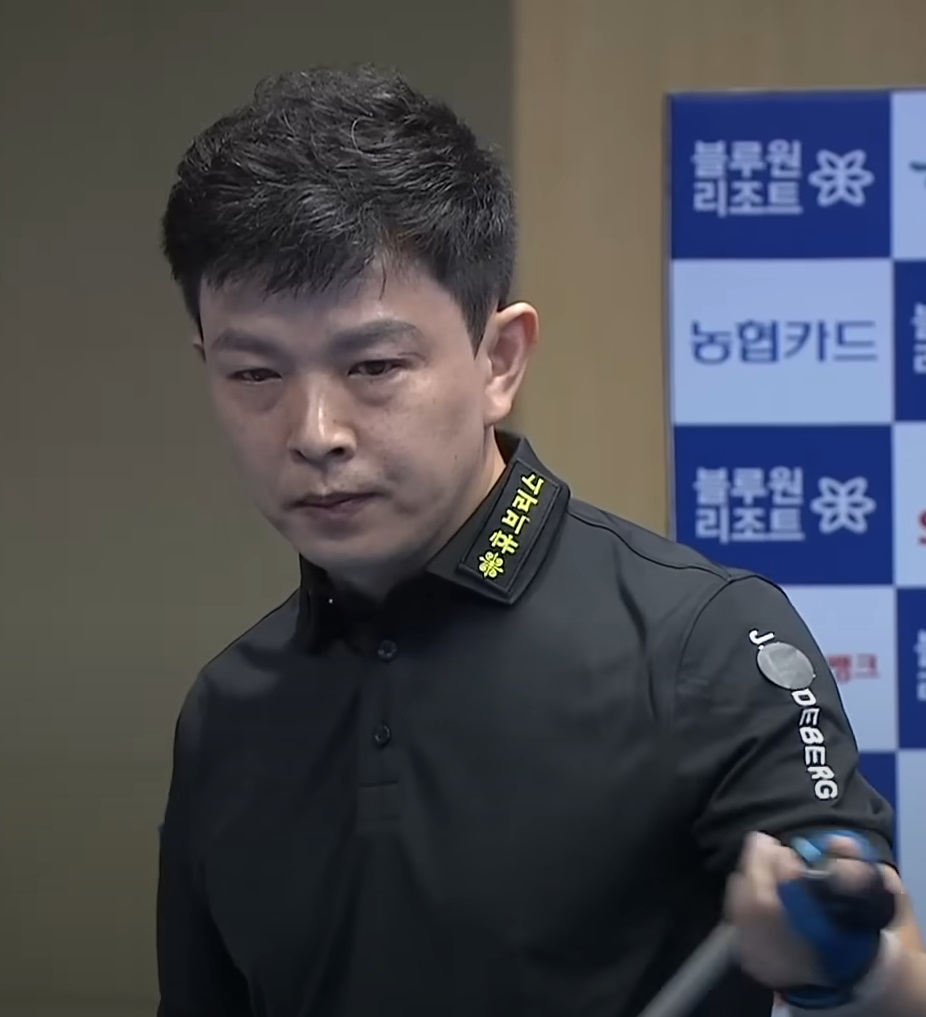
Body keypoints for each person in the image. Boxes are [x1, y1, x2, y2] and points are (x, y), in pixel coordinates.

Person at [155, 65, 924, 1017]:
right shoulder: (226, 708)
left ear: (498, 360)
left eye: (375, 365)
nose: (315, 431)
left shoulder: (703, 638)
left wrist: (844, 958)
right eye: (254, 374)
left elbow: (896, 969)